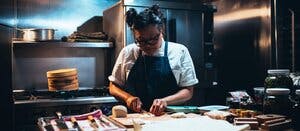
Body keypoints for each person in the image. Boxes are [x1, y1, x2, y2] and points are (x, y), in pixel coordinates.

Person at [108, 4, 198, 116]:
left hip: (171, 119)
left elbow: (188, 91)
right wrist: (128, 98)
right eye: (141, 41)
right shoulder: (128, 52)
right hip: (136, 119)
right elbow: (113, 86)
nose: (148, 45)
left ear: (161, 30)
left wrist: (166, 101)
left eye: (153, 39)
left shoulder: (179, 52)